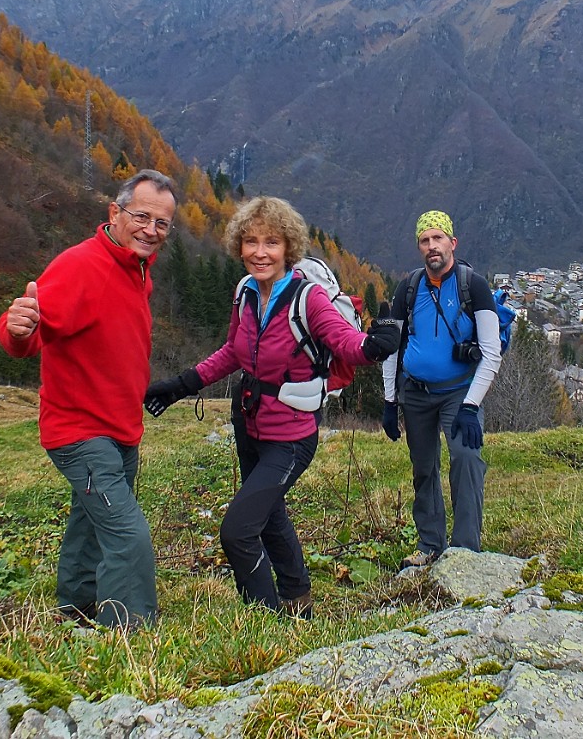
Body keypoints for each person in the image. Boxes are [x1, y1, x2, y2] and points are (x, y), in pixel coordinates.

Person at [146, 196, 400, 617]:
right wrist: (181, 385)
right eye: (250, 241)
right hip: (248, 424)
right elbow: (233, 351)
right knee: (269, 512)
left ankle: (265, 619)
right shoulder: (246, 292)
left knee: (239, 531)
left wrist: (375, 346)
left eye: (271, 242)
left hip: (291, 436)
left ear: (289, 248)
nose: (259, 252)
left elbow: (345, 344)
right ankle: (298, 599)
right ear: (238, 246)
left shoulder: (309, 299)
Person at [0, 168, 177, 631]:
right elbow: (28, 329)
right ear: (115, 213)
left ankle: (75, 610)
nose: (150, 231)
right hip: (80, 432)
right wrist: (16, 330)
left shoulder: (137, 270)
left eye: (162, 224)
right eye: (141, 217)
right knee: (127, 533)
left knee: (90, 522)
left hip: (120, 428)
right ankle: (128, 634)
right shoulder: (81, 265)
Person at [381, 210, 502, 568]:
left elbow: (491, 352)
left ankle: (465, 551)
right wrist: (390, 400)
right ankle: (429, 544)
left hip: (459, 393)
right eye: (424, 240)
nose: (432, 246)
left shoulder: (473, 286)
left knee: (466, 460)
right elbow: (392, 344)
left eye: (438, 238)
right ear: (419, 247)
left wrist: (470, 406)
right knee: (423, 468)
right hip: (415, 393)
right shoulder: (409, 287)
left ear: (453, 243)